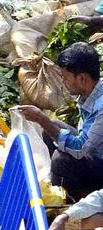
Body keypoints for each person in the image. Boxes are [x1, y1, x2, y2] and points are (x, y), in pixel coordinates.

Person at [20, 41, 103, 200]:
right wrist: (47, 124)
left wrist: (42, 119)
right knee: (53, 128)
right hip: (95, 153)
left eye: (65, 78)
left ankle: (82, 204)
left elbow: (80, 149)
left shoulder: (101, 107)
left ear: (82, 78)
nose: (63, 83)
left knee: (60, 160)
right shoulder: (92, 92)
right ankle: (58, 187)